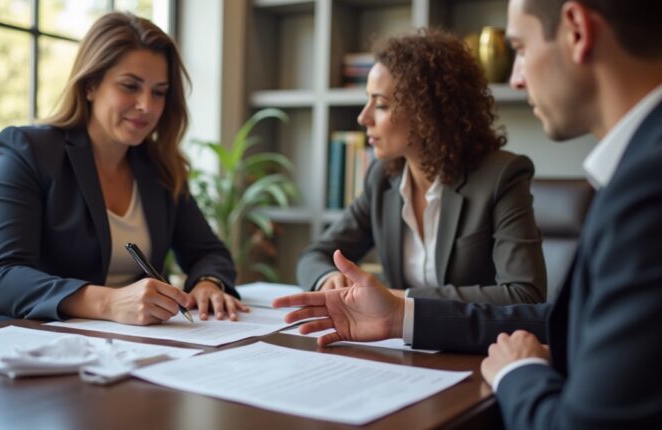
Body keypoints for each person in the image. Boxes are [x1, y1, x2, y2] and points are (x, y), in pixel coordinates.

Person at [275, 0, 662, 428]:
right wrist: (373, 302)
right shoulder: (382, 180)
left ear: (576, 30)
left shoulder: (636, 186)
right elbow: (566, 321)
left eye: (519, 47)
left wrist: (402, 301)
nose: (515, 78)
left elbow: (527, 302)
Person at [0, 12, 248, 327]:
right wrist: (109, 302)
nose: (147, 106)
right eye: (130, 86)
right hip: (13, 342)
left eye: (159, 92)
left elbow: (208, 251)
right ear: (90, 86)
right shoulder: (27, 150)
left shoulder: (158, 166)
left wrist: (208, 282)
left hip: (113, 347)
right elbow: (2, 279)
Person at [297, 30, 546, 305]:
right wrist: (329, 277)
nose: (363, 117)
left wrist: (400, 301)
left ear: (426, 112)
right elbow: (315, 256)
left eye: (380, 104)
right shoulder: (381, 179)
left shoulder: (501, 176)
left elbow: (524, 295)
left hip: (478, 346)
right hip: (398, 345)